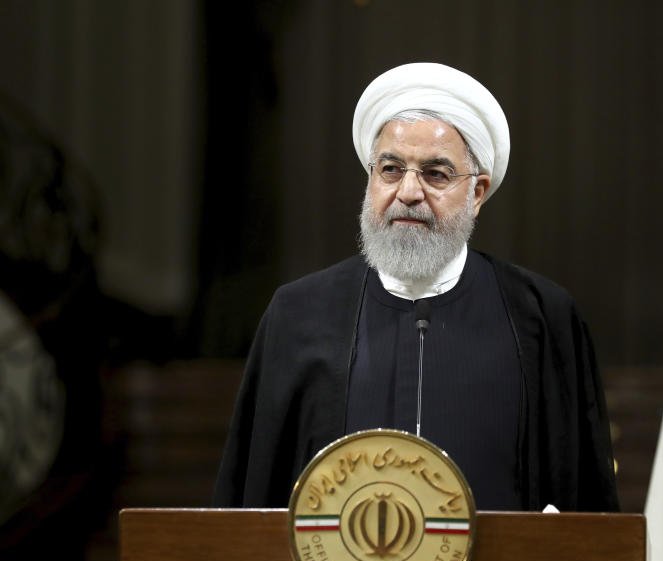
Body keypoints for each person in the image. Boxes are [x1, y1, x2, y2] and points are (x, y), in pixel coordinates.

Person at [212, 62, 619, 514]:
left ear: (478, 192)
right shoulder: (299, 313)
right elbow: (251, 494)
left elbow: (585, 505)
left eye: (436, 174)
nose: (408, 192)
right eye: (390, 169)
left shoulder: (542, 316)